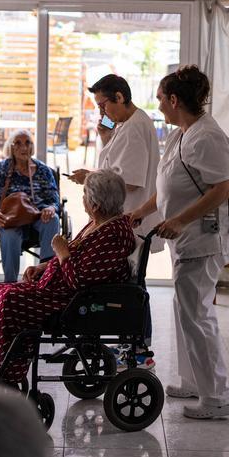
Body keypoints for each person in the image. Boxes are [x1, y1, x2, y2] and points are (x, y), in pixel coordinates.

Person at [0, 170, 137, 386]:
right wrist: (44, 266)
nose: (82, 198)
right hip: (58, 291)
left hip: (72, 301)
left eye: (85, 194)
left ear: (95, 205)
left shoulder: (112, 234)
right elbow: (78, 260)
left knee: (11, 299)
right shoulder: (99, 222)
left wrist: (61, 251)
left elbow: (79, 281)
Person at [128, 66, 229, 420]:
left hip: (205, 237)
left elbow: (223, 188)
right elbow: (167, 187)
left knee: (199, 314)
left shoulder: (207, 137)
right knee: (187, 311)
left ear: (174, 100)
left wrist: (179, 220)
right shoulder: (182, 134)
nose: (158, 103)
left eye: (161, 97)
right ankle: (193, 381)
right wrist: (140, 212)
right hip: (187, 238)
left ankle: (218, 397)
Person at [69, 74, 161, 368]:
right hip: (126, 219)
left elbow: (130, 181)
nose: (102, 112)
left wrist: (91, 177)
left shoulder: (135, 128)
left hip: (132, 218)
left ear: (120, 97)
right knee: (133, 286)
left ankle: (139, 349)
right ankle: (135, 346)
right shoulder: (127, 125)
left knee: (134, 289)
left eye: (104, 104)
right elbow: (118, 164)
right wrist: (106, 137)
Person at [0, 129, 61, 284]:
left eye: (28, 143)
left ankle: (46, 277)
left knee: (53, 219)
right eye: (18, 143)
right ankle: (10, 284)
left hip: (38, 217)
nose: (24, 147)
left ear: (32, 147)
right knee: (10, 234)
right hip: (11, 219)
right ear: (11, 147)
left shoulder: (43, 170)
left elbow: (55, 200)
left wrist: (51, 208)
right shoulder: (2, 169)